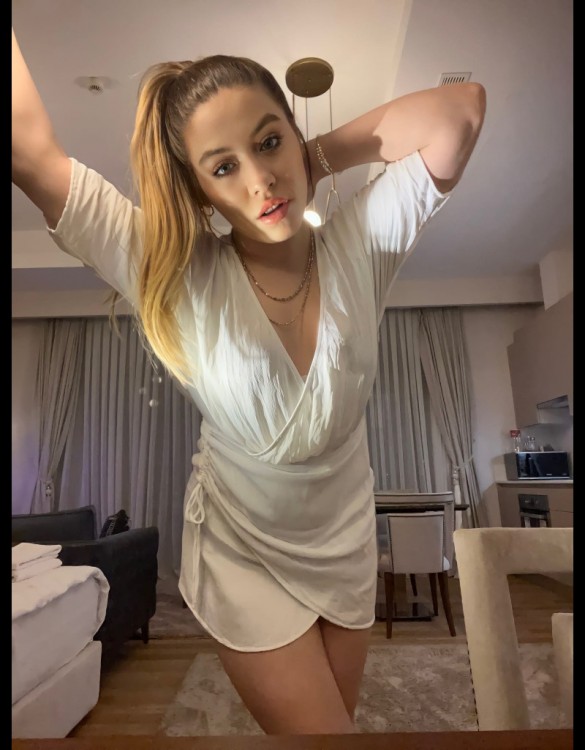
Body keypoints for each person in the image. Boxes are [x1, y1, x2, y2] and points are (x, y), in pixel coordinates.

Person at [12, 26, 486, 735]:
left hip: (344, 539)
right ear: (199, 190)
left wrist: (314, 160)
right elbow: (30, 154)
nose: (260, 181)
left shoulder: (359, 243)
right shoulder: (174, 271)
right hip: (246, 551)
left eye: (268, 142)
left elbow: (461, 111)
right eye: (223, 166)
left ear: (295, 133)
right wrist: (284, 154)